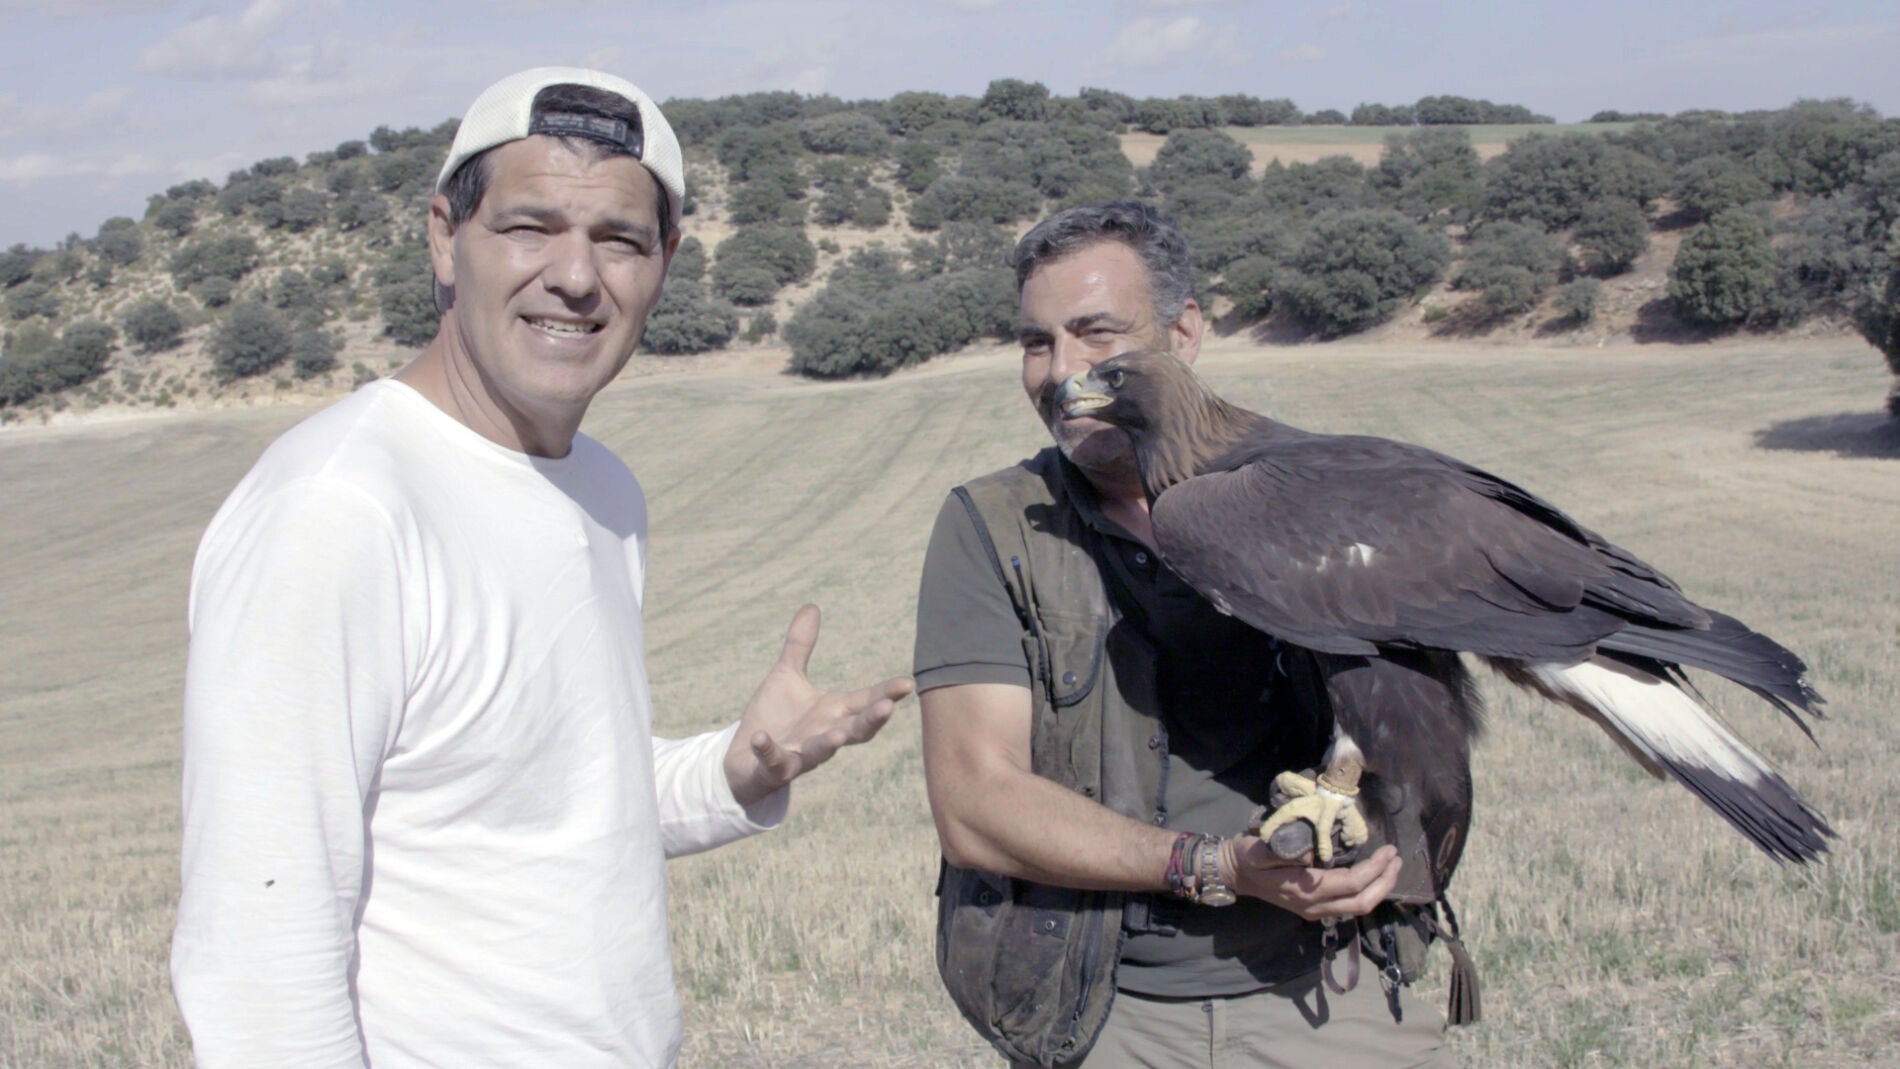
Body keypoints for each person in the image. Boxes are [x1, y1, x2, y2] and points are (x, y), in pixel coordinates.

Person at [170, 67, 912, 1068]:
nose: (575, 276)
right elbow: (259, 945)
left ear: (666, 262)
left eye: (619, 240)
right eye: (530, 227)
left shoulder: (601, 489)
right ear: (444, 236)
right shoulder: (338, 510)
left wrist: (733, 770)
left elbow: (548, 799)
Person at [914, 201, 1456, 1068]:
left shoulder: (1309, 493)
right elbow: (976, 804)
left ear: (1185, 331)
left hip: (1333, 990)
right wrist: (1216, 865)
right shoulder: (997, 525)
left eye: (1097, 332)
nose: (1063, 372)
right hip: (1107, 1017)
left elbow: (1424, 713)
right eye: (1036, 342)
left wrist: (1372, 831)